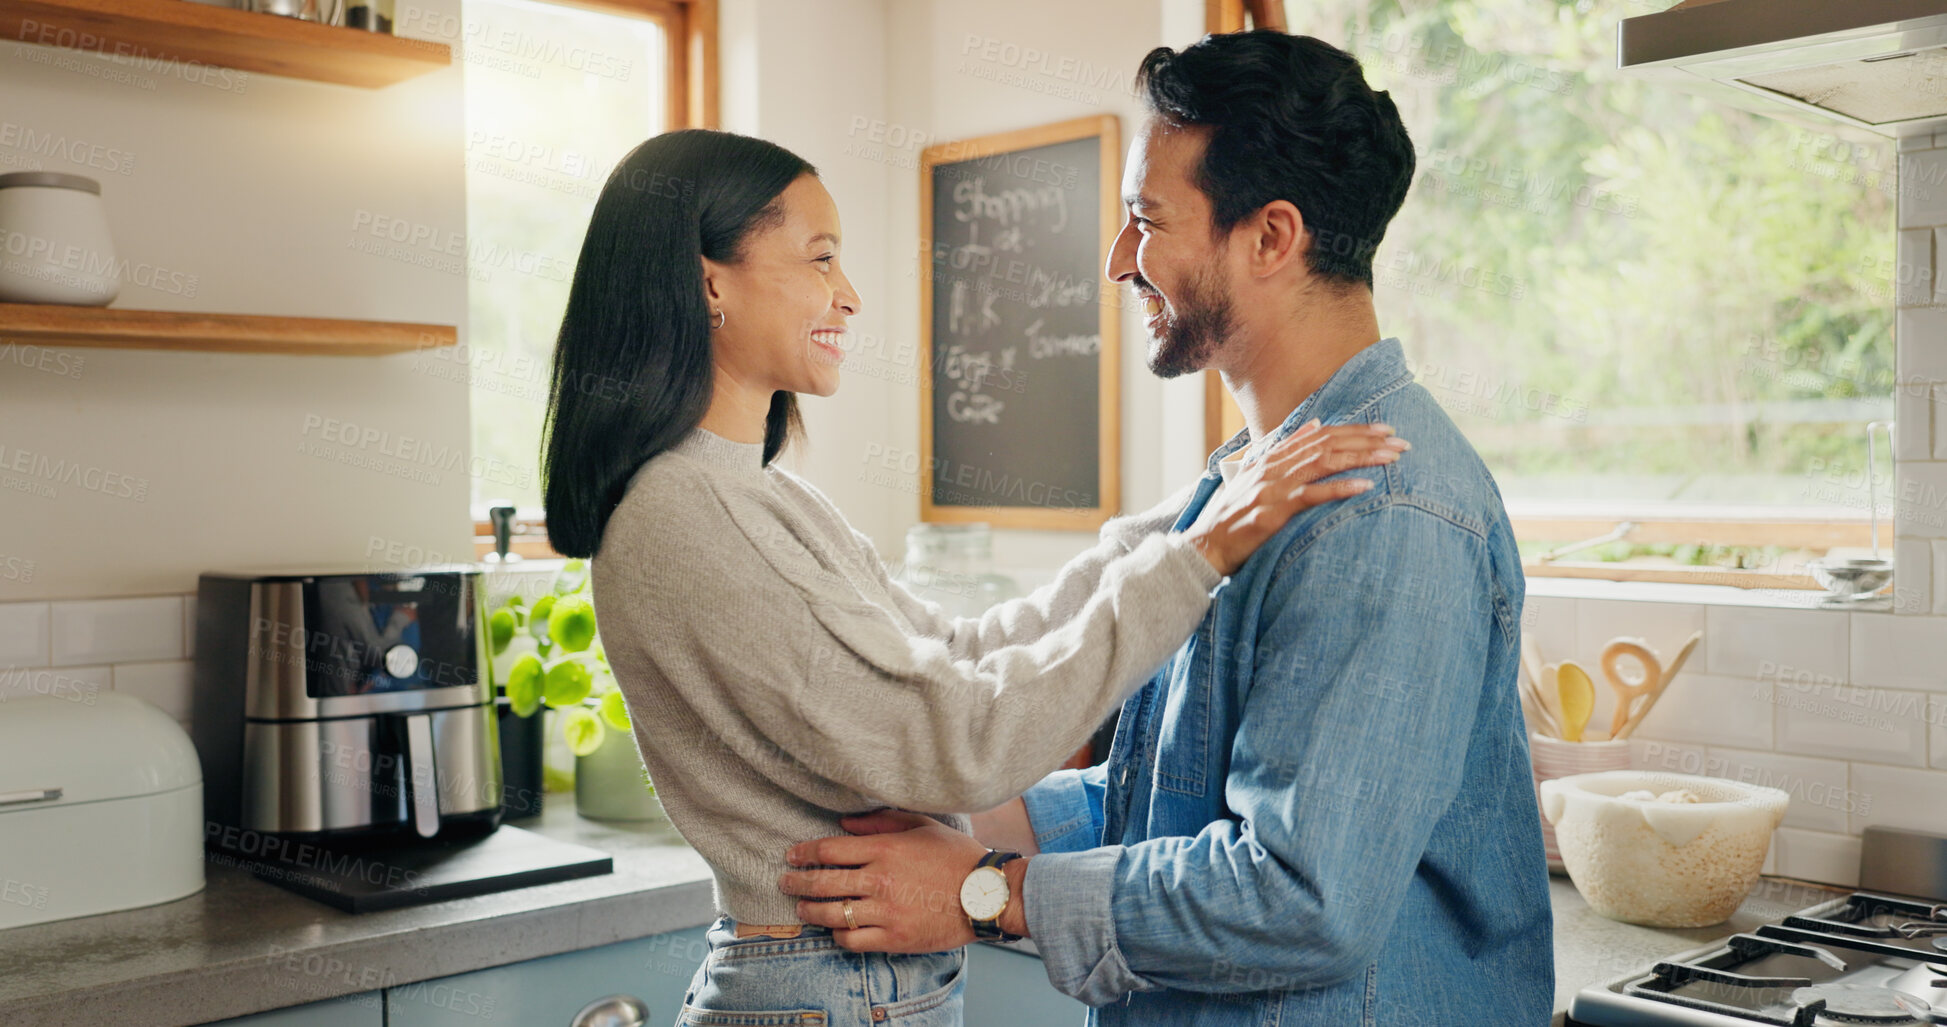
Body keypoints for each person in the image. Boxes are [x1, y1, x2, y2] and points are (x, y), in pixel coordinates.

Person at [538, 127, 1409, 1026]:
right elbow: (958, 741)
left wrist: (1195, 511)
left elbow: (957, 652)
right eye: (821, 258)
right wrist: (1199, 557)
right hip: (820, 990)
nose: (850, 294)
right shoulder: (684, 511)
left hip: (849, 988)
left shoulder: (756, 498)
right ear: (708, 277)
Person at [777, 31, 1556, 1026]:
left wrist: (988, 890)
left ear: (1273, 237)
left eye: (1147, 221)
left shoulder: (1383, 513)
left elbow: (1300, 895)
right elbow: (1184, 801)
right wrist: (971, 818)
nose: (1116, 263)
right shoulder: (1253, 483)